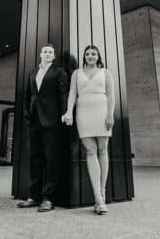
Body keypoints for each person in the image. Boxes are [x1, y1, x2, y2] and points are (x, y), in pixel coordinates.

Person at [62, 45, 115, 215]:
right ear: (84, 57)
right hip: (84, 112)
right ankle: (98, 198)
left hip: (102, 111)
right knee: (90, 151)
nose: (90, 56)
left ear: (98, 56)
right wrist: (69, 112)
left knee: (102, 149)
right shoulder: (76, 73)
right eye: (87, 54)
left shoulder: (105, 72)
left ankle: (103, 192)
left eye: (93, 53)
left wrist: (110, 115)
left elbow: (111, 95)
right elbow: (72, 94)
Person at [16, 44, 69, 212]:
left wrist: (65, 113)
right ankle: (34, 196)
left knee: (51, 158)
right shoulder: (33, 73)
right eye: (45, 51)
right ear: (40, 54)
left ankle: (48, 198)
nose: (47, 54)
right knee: (35, 157)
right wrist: (26, 114)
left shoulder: (59, 72)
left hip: (52, 120)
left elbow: (63, 94)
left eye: (50, 52)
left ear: (53, 56)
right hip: (34, 120)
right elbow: (28, 96)